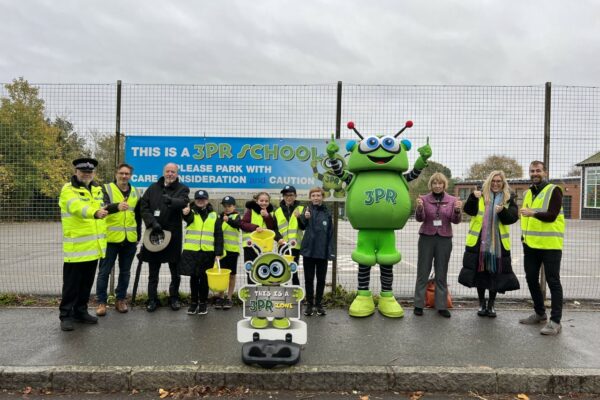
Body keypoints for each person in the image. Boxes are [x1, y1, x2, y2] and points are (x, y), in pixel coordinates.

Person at [461, 170, 520, 318]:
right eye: (493, 181)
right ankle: (481, 304)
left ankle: (491, 305)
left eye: (498, 181)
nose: (495, 184)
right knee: (481, 273)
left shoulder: (508, 198)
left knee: (495, 274)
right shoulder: (479, 195)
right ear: (489, 182)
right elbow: (469, 210)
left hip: (498, 244)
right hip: (479, 242)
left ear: (503, 183)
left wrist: (502, 211)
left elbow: (512, 218)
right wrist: (473, 199)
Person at [58, 158, 108, 331]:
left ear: (93, 173)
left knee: (86, 284)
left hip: (93, 248)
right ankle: (66, 315)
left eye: (89, 172)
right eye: (83, 172)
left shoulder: (97, 189)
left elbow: (104, 208)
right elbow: (76, 207)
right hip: (76, 248)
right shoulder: (68, 189)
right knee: (71, 285)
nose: (86, 174)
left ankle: (80, 311)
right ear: (76, 172)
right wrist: (94, 212)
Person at [519, 161, 565, 335]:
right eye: (532, 171)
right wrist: (523, 237)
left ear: (545, 172)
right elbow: (525, 218)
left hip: (550, 245)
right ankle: (540, 313)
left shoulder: (554, 190)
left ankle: (555, 321)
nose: (534, 173)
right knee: (531, 278)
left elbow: (552, 216)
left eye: (538, 170)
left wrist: (534, 213)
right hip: (531, 245)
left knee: (553, 281)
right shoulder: (528, 193)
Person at [139, 163, 190, 312]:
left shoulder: (182, 188)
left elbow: (184, 202)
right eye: (168, 171)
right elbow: (144, 207)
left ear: (177, 173)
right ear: (163, 172)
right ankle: (152, 299)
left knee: (175, 271)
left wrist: (171, 201)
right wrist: (151, 222)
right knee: (153, 271)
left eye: (173, 172)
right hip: (154, 234)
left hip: (173, 235)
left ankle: (174, 298)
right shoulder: (153, 188)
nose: (170, 174)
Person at [413, 172, 462, 318]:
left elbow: (455, 220)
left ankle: (441, 306)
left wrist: (458, 210)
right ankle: (418, 304)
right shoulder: (423, 199)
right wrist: (420, 208)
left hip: (444, 239)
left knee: (441, 272)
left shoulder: (453, 200)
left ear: (444, 184)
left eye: (440, 183)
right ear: (431, 185)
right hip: (426, 238)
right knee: (423, 271)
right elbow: (419, 218)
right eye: (434, 183)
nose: (437, 185)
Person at [95, 163, 142, 316]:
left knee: (125, 272)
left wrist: (138, 236)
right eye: (121, 173)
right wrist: (116, 207)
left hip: (129, 239)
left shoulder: (136, 192)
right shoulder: (106, 189)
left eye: (127, 174)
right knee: (104, 272)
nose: (124, 176)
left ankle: (120, 300)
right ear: (116, 174)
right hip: (110, 239)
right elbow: (101, 208)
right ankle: (101, 302)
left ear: (130, 176)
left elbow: (138, 216)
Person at [180, 190, 223, 315]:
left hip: (207, 252)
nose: (200, 201)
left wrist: (218, 252)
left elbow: (218, 235)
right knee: (194, 278)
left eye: (203, 199)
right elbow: (187, 218)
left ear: (207, 200)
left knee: (204, 279)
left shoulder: (214, 215)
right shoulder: (190, 212)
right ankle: (193, 303)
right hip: (192, 251)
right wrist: (185, 213)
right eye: (198, 199)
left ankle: (203, 303)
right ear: (195, 200)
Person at [298, 187, 335, 317]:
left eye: (318, 195)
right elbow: (301, 226)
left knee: (321, 280)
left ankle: (318, 304)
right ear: (310, 197)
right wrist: (304, 217)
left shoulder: (327, 212)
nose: (315, 197)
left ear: (322, 197)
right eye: (313, 195)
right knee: (308, 279)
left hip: (322, 252)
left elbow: (330, 233)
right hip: (308, 251)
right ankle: (309, 305)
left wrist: (330, 251)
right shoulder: (306, 210)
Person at [274, 185, 303, 286]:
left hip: (295, 246)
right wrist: (279, 239)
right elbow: (274, 229)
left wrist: (300, 218)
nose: (288, 197)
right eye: (286, 195)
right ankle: (283, 292)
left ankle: (296, 294)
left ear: (295, 196)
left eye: (291, 195)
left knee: (294, 271)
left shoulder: (301, 209)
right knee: (282, 270)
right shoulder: (277, 211)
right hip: (282, 246)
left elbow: (304, 226)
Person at [216, 195, 241, 309]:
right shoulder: (220, 217)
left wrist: (229, 220)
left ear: (234, 206)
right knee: (221, 275)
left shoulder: (237, 216)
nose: (227, 208)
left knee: (231, 275)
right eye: (225, 206)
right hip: (221, 251)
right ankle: (220, 296)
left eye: (229, 206)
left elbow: (237, 225)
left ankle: (229, 298)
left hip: (232, 251)